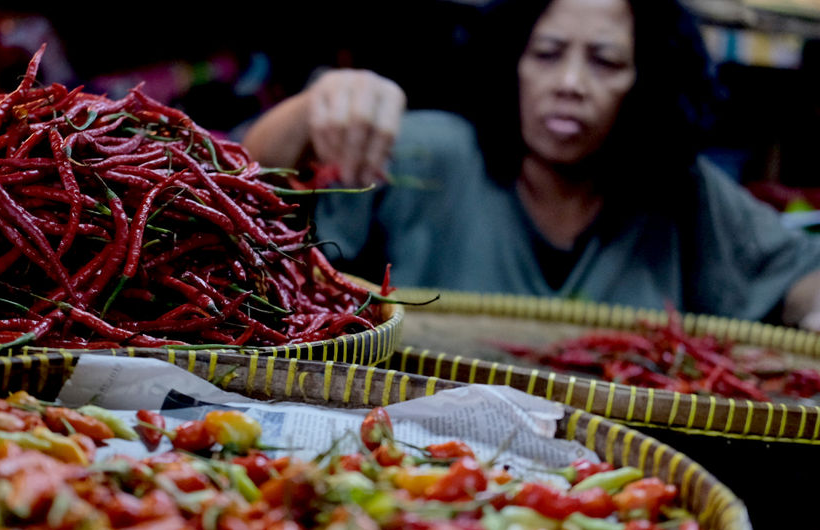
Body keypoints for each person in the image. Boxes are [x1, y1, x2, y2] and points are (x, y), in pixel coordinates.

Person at [239, 0, 820, 331]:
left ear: (645, 82)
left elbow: (798, 275)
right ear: (511, 63)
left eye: (606, 61)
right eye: (546, 55)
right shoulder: (433, 153)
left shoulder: (680, 191)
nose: (569, 84)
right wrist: (316, 109)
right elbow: (237, 192)